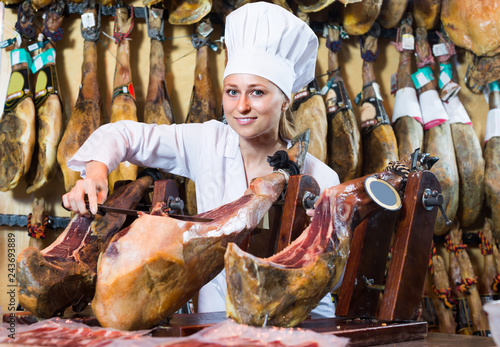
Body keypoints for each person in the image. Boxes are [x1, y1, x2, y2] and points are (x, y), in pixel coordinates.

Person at [62, 2, 340, 318]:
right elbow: (124, 134)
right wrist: (96, 173)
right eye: (232, 92)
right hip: (215, 325)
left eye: (258, 93)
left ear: (286, 100)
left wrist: (320, 237)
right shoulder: (208, 141)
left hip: (300, 326)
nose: (242, 106)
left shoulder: (321, 177)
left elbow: (334, 279)